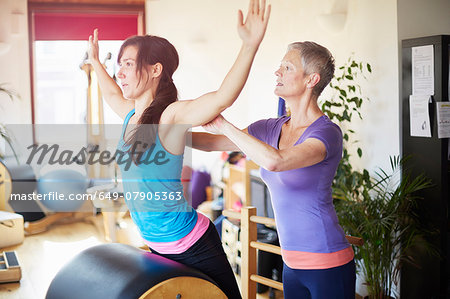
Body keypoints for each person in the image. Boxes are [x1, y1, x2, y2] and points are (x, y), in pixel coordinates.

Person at [87, 1, 270, 298]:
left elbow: (222, 98)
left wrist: (249, 45)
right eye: (118, 65)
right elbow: (109, 91)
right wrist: (95, 62)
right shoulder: (132, 116)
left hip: (192, 243)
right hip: (157, 245)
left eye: (128, 64)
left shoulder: (171, 117)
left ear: (155, 69)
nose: (120, 72)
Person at [193, 42, 356, 298]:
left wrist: (225, 125)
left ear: (311, 79)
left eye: (287, 67)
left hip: (327, 263)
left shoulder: (326, 133)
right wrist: (163, 132)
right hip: (291, 264)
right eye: (280, 66)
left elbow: (276, 161)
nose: (277, 72)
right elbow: (213, 143)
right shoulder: (270, 128)